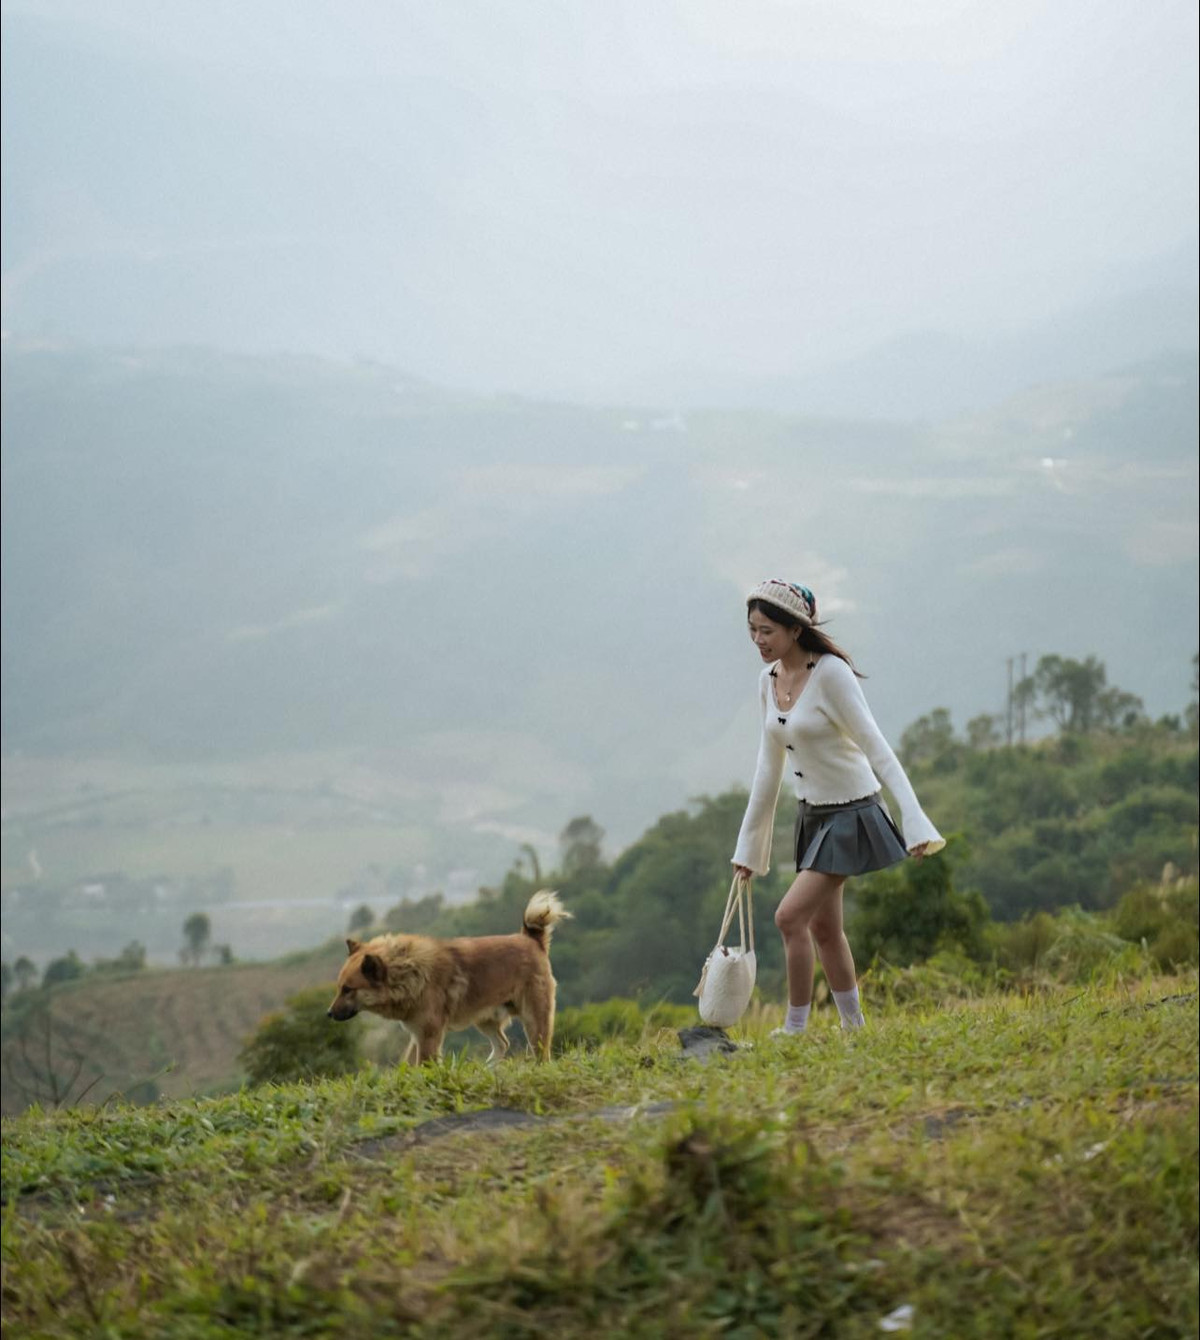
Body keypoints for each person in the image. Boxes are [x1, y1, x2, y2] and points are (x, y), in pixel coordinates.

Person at [731, 578, 943, 1034]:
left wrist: (915, 819)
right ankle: (855, 1028)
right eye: (752, 629)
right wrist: (748, 851)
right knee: (824, 930)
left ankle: (795, 1027)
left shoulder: (830, 674)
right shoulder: (767, 683)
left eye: (767, 630)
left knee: (789, 917)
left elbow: (876, 746)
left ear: (794, 629)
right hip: (812, 816)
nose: (758, 640)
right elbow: (767, 770)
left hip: (851, 814)